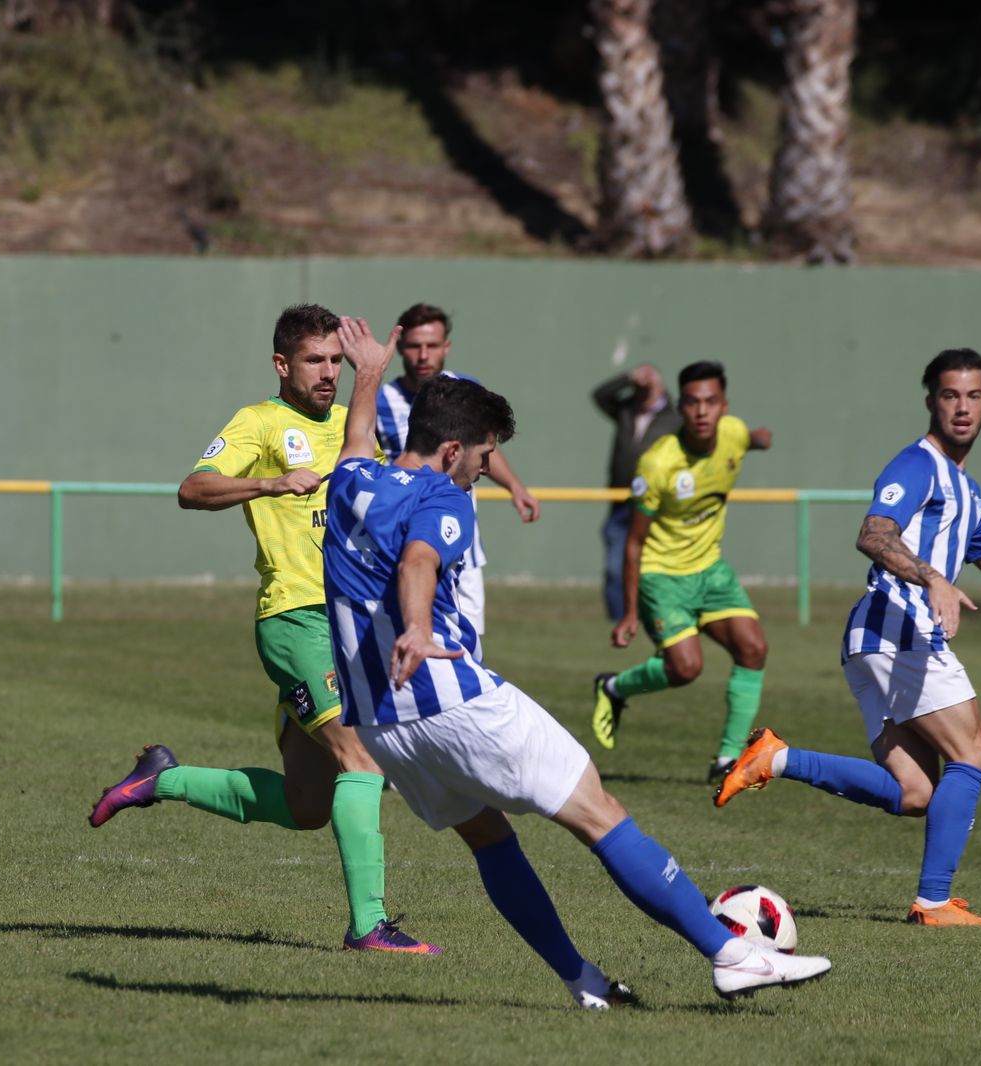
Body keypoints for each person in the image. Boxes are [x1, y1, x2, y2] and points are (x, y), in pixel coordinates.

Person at [322, 316, 830, 1008]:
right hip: (448, 697)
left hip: (382, 723)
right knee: (599, 811)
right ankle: (733, 954)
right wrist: (415, 625)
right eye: (483, 455)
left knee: (488, 838)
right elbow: (418, 560)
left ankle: (584, 984)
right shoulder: (444, 496)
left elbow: (357, 436)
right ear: (451, 450)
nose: (484, 469)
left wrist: (370, 374)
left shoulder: (351, 479)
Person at [715, 348, 981, 926]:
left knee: (915, 793)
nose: (962, 407)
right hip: (899, 629)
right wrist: (933, 578)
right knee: (972, 753)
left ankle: (777, 759)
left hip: (873, 639)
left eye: (972, 396)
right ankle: (933, 902)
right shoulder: (917, 465)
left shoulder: (967, 492)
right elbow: (874, 533)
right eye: (950, 395)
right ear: (931, 400)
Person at [89, 303, 437, 955]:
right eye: (314, 360)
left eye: (336, 360)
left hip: (349, 628)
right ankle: (369, 927)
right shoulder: (260, 422)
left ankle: (162, 778)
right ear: (282, 364)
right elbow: (193, 488)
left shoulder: (354, 427)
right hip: (295, 620)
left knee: (309, 806)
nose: (328, 372)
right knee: (361, 759)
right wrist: (270, 484)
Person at [591, 361, 773, 782]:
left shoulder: (733, 433)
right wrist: (630, 612)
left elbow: (748, 438)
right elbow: (633, 543)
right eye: (692, 403)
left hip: (710, 569)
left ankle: (728, 760)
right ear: (681, 407)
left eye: (711, 402)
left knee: (754, 648)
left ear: (724, 405)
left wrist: (761, 439)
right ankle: (614, 687)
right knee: (686, 669)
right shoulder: (658, 463)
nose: (702, 411)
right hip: (662, 575)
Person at [373, 303, 539, 636]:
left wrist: (515, 486)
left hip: (464, 546)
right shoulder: (382, 401)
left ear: (446, 346)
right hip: (411, 541)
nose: (423, 355)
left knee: (468, 644)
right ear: (401, 348)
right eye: (414, 346)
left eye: (432, 345)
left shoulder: (465, 391)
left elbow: (483, 447)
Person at [592, 364, 681, 621]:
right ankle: (619, 620)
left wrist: (656, 385)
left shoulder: (674, 418)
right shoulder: (626, 410)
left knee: (655, 566)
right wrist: (628, 378)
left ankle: (657, 616)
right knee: (615, 567)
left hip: (656, 504)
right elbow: (600, 396)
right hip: (622, 502)